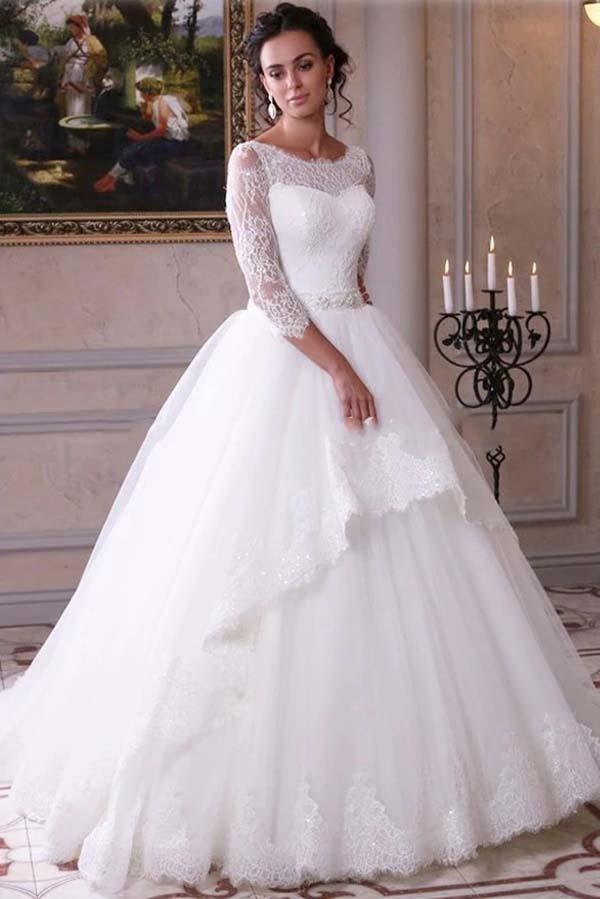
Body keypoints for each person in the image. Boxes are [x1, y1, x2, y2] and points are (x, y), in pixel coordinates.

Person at [0, 2, 599, 895]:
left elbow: (354, 278)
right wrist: (340, 369)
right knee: (268, 562)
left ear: (331, 66)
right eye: (275, 72)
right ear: (264, 82)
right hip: (286, 361)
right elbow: (269, 288)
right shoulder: (250, 162)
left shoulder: (358, 161)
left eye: (304, 65)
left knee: (405, 548)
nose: (291, 83)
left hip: (361, 345)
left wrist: (370, 360)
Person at [93, 77, 190, 193]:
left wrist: (140, 138)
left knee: (137, 148)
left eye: (141, 92)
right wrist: (147, 106)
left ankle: (109, 179)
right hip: (168, 140)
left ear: (147, 93)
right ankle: (117, 178)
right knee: (125, 138)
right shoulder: (156, 102)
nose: (140, 95)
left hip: (175, 144)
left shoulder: (163, 104)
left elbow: (161, 129)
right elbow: (148, 118)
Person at [56, 13, 107, 153]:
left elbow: (101, 58)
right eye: (70, 27)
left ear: (80, 27)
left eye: (73, 26)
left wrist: (91, 67)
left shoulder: (92, 41)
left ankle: (83, 145)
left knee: (82, 110)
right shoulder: (70, 42)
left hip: (84, 77)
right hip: (69, 76)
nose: (71, 29)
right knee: (70, 110)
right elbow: (64, 59)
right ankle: (73, 144)